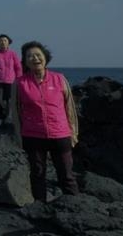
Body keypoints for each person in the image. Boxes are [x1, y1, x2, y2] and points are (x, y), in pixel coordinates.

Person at [10, 41, 80, 202]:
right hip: (33, 135)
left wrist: (73, 133)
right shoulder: (19, 83)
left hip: (60, 134)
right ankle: (40, 208)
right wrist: (18, 135)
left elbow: (69, 107)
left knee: (66, 175)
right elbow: (15, 111)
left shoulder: (59, 79)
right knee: (37, 174)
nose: (35, 58)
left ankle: (75, 208)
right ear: (25, 61)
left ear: (45, 58)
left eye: (38, 55)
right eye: (30, 56)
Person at [0, 34, 23, 124]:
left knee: (10, 100)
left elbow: (18, 67)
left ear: (8, 42)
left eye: (5, 40)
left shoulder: (13, 54)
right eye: (1, 41)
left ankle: (9, 116)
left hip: (11, 81)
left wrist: (19, 79)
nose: (3, 42)